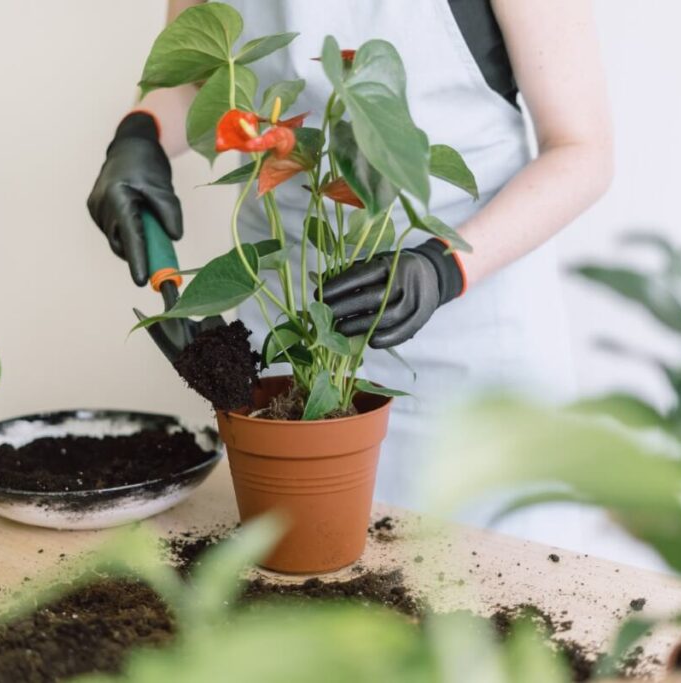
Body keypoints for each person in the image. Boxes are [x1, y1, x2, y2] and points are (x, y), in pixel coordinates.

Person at [88, 0, 613, 549]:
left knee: (489, 585)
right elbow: (194, 71)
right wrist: (138, 136)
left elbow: (582, 150)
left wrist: (444, 267)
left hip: (467, 322)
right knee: (298, 575)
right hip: (289, 309)